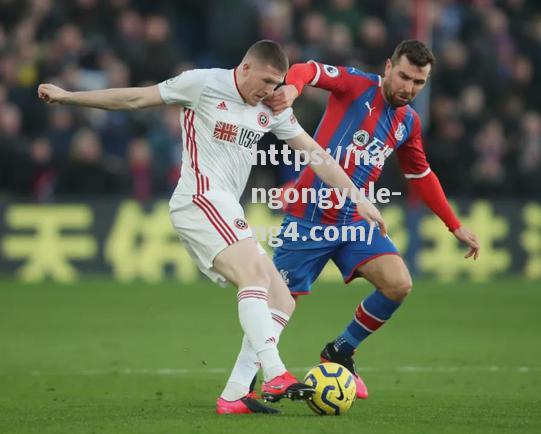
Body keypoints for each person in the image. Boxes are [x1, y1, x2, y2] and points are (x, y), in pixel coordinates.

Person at [37, 40, 386, 414]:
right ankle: (275, 373)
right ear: (246, 67)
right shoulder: (203, 83)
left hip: (222, 206)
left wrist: (358, 198)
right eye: (266, 81)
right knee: (253, 276)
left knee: (281, 297)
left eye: (277, 83)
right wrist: (68, 97)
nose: (271, 90)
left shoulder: (271, 107)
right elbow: (136, 99)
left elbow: (316, 154)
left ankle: (235, 394)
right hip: (198, 198)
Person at [234, 39, 481, 399]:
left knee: (398, 284)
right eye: (404, 77)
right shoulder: (356, 85)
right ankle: (246, 382)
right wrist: (292, 88)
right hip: (310, 217)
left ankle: (340, 350)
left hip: (355, 222)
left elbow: (421, 175)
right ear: (388, 67)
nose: (408, 88)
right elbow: (309, 69)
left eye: (418, 82)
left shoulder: (408, 122)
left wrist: (454, 224)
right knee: (276, 306)